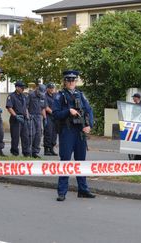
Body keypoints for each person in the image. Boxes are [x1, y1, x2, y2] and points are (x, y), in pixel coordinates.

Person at [53, 70, 95, 202]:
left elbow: (89, 110)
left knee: (81, 161)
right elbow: (55, 114)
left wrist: (89, 125)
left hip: (80, 131)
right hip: (67, 131)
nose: (71, 82)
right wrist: (68, 111)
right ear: (65, 82)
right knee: (65, 160)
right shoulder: (60, 96)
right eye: (69, 80)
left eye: (73, 80)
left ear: (76, 81)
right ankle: (62, 192)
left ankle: (83, 189)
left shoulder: (80, 95)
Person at [6, 81, 31, 157]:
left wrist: (28, 116)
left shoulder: (23, 96)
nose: (23, 89)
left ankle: (26, 152)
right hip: (15, 119)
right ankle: (14, 152)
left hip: (24, 119)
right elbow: (9, 107)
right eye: (21, 87)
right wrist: (16, 116)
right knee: (15, 137)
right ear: (17, 87)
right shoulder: (11, 96)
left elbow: (25, 107)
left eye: (23, 87)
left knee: (25, 136)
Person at [27, 84, 47, 158]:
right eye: (40, 92)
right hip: (31, 116)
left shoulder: (43, 96)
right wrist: (28, 116)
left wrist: (45, 118)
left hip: (39, 117)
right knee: (31, 134)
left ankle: (35, 152)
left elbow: (43, 108)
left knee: (38, 134)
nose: (41, 94)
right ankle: (28, 152)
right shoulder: (31, 95)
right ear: (37, 89)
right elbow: (26, 106)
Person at [43, 82, 58, 156]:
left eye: (53, 88)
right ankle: (46, 150)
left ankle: (52, 149)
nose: (52, 89)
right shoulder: (44, 96)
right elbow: (46, 107)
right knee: (48, 133)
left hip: (55, 118)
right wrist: (54, 113)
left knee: (54, 134)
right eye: (50, 88)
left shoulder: (55, 95)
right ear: (47, 89)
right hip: (48, 116)